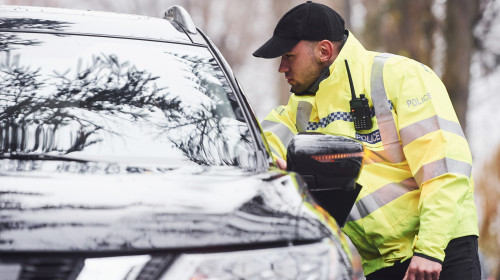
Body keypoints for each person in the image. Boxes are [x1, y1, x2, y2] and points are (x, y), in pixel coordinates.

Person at [253, 1, 480, 280]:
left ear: (324, 50)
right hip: (380, 263)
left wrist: (430, 250)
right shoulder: (298, 110)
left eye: (288, 56)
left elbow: (444, 169)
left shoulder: (401, 76)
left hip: (440, 253)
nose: (281, 67)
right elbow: (254, 146)